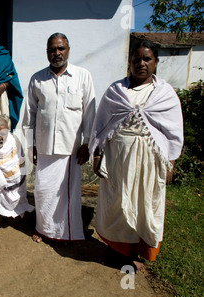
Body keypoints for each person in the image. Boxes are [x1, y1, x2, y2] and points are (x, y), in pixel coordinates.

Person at [89, 40, 183, 273]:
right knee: (118, 204)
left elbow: (172, 132)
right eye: (136, 59)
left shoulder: (164, 94)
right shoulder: (116, 91)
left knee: (143, 204)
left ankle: (134, 253)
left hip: (149, 160)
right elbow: (101, 126)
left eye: (147, 59)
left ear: (156, 63)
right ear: (129, 63)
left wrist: (170, 162)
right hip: (118, 158)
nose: (141, 63)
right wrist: (98, 155)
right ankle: (115, 253)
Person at [22, 33, 96, 243]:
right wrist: (31, 145)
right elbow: (30, 114)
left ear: (68, 50)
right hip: (44, 147)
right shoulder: (37, 79)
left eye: (61, 48)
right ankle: (43, 228)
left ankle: (66, 233)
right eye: (52, 49)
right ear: (47, 52)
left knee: (67, 195)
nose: (57, 53)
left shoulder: (83, 76)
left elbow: (90, 112)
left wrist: (87, 143)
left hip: (70, 148)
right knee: (43, 191)